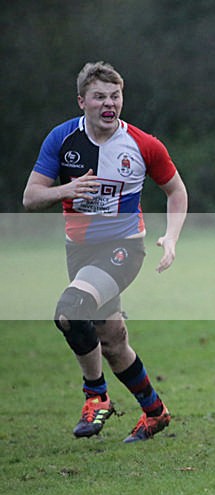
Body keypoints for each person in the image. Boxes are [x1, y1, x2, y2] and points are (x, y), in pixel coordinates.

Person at [22, 61, 188, 442]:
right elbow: (31, 197)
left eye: (115, 96)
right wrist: (64, 191)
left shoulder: (143, 144)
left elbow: (176, 190)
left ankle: (96, 397)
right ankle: (155, 412)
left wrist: (172, 237)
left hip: (124, 249)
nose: (108, 103)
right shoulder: (62, 140)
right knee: (112, 341)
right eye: (99, 97)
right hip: (79, 252)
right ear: (82, 101)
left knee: (69, 311)